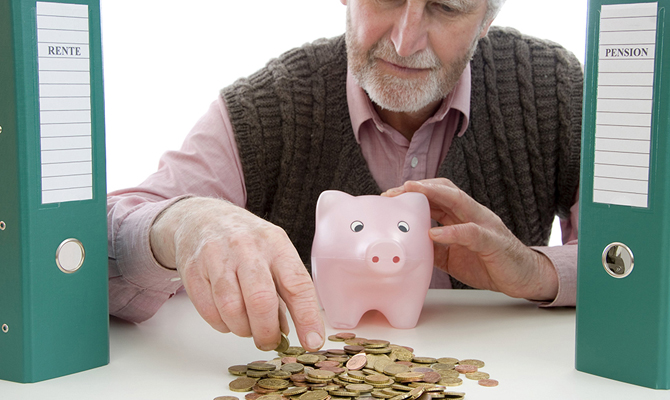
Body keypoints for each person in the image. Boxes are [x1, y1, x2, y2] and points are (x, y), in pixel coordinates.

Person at [107, 0, 582, 354]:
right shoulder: (264, 110)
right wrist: (182, 223)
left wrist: (538, 271)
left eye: (446, 6)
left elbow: (624, 265)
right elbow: (93, 247)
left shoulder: (553, 89)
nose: (405, 41)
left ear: (486, 20)